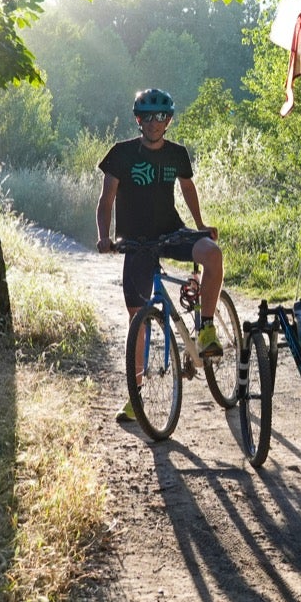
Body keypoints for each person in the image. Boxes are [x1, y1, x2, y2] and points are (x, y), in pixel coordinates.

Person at [97, 88, 226, 422]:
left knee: (212, 253)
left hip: (170, 232)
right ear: (138, 119)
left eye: (162, 116)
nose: (155, 123)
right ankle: (136, 398)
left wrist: (200, 225)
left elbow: (187, 188)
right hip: (136, 242)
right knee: (137, 320)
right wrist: (104, 237)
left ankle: (207, 328)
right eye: (148, 117)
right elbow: (107, 198)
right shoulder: (121, 154)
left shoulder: (177, 154)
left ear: (169, 119)